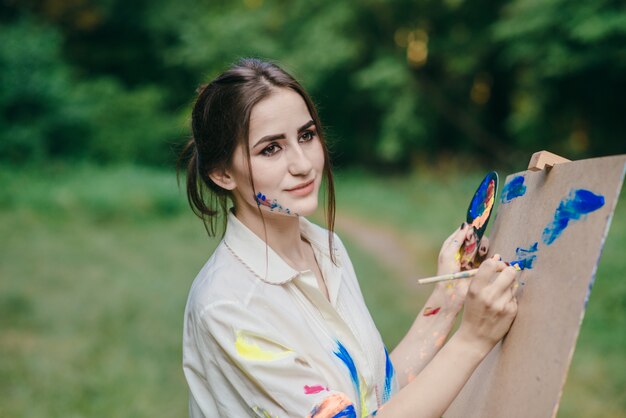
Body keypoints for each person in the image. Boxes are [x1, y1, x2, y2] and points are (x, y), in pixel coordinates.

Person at [179, 58, 518, 418]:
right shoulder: (228, 307)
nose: (303, 163)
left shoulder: (327, 248)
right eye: (271, 149)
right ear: (221, 173)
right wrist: (472, 341)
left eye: (306, 136)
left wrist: (450, 296)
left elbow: (379, 397)